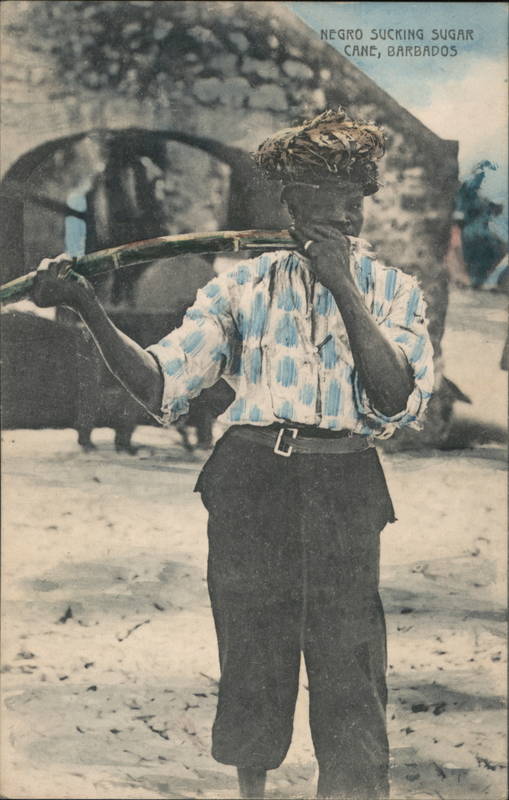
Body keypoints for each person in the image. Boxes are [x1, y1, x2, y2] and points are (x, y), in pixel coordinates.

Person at [32, 109, 434, 800]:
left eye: (356, 191)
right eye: (324, 190)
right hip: (249, 481)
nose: (345, 206)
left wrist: (342, 283)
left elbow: (394, 398)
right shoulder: (238, 289)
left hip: (345, 482)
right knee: (252, 652)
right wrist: (86, 307)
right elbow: (161, 385)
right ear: (288, 200)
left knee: (349, 660)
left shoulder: (393, 291)